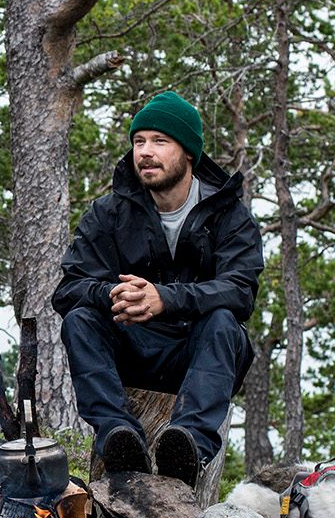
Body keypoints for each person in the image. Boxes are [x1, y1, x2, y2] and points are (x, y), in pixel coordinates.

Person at [52, 90, 261, 486]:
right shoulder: (110, 211)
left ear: (187, 153)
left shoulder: (229, 215)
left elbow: (239, 291)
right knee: (80, 318)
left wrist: (165, 298)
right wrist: (113, 294)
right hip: (132, 348)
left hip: (195, 356)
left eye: (160, 141)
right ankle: (118, 435)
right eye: (139, 141)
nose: (146, 152)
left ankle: (186, 447)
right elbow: (68, 289)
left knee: (224, 322)